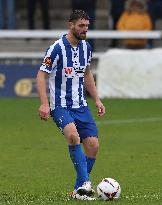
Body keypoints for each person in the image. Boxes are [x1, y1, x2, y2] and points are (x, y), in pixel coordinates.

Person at [36, 10, 105, 200]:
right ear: (71, 25)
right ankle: (85, 185)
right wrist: (44, 103)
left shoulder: (87, 48)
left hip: (81, 105)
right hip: (60, 106)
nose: (85, 30)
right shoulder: (56, 48)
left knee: (93, 146)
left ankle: (78, 190)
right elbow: (41, 75)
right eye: (81, 26)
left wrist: (97, 99)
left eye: (87, 26)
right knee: (73, 137)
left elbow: (87, 73)